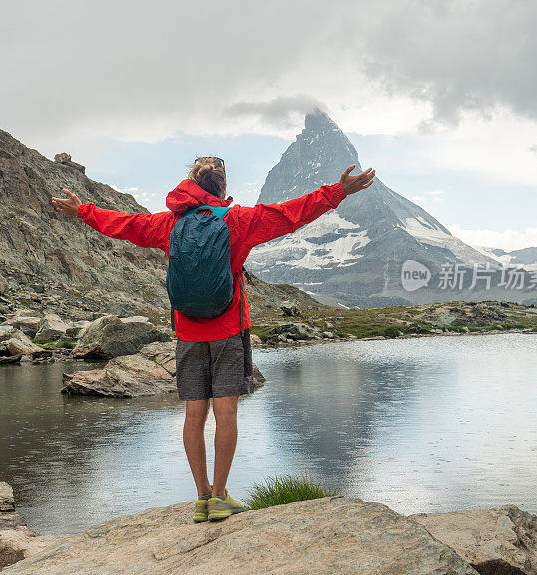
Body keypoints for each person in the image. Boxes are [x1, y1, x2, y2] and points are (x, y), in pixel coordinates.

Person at [51, 157, 375, 522]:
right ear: (222, 189)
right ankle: (221, 496)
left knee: (194, 413)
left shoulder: (169, 223)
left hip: (188, 333)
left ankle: (202, 498)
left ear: (191, 184)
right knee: (226, 412)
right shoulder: (239, 221)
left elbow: (126, 225)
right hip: (229, 332)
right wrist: (338, 192)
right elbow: (290, 214)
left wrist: (83, 210)